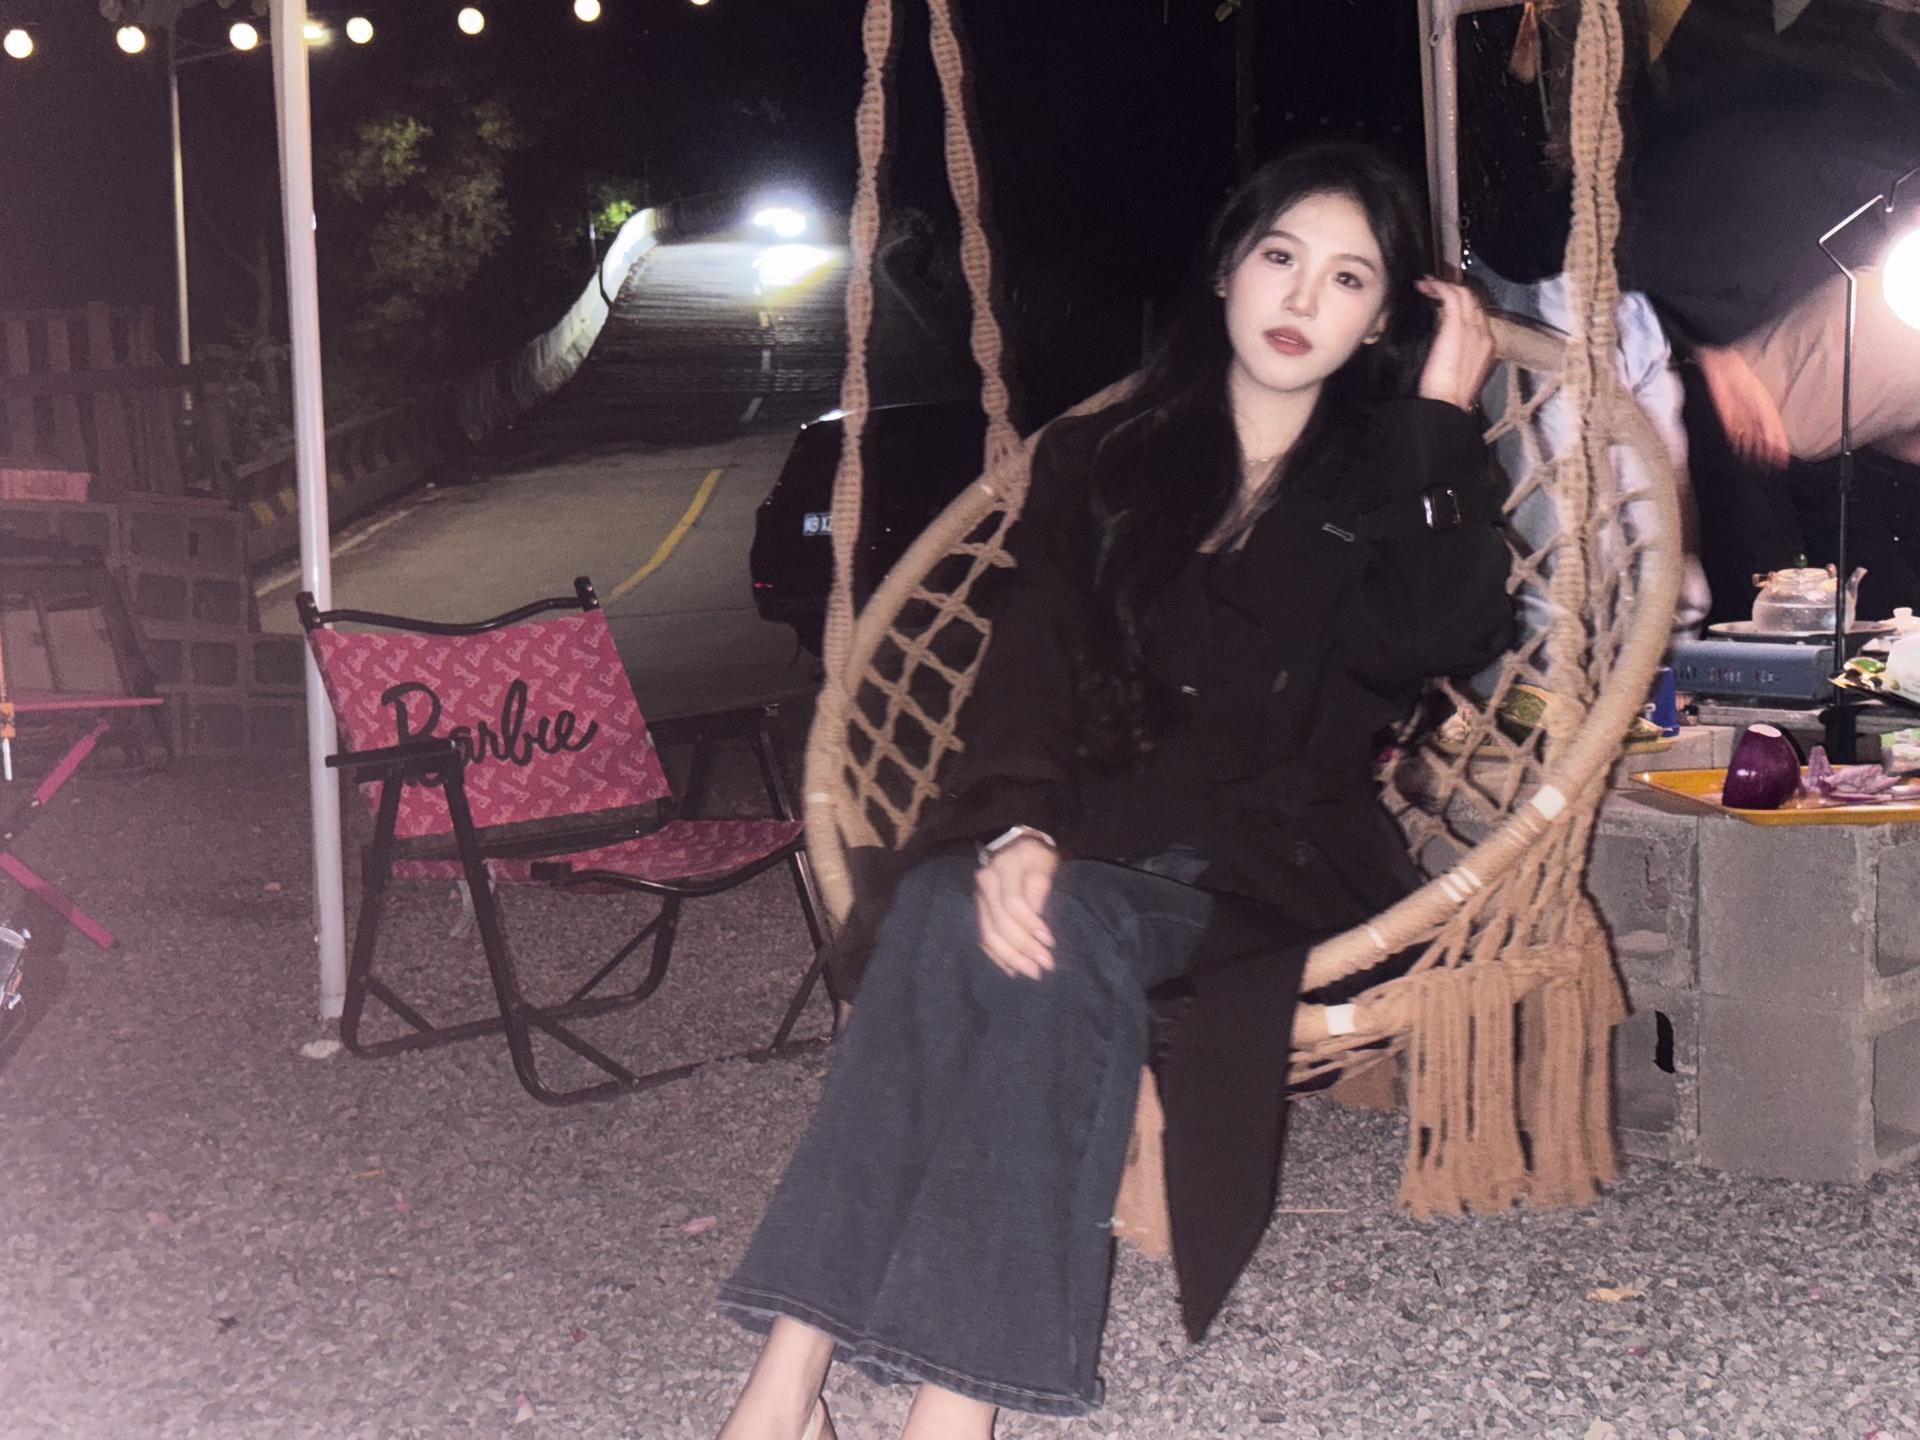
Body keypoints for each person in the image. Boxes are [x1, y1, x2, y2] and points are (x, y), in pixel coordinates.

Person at [714, 142, 1515, 1440]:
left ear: (1380, 320)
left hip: (1265, 874)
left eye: (1348, 278)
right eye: (1281, 257)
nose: (1302, 298)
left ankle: (936, 1417)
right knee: (945, 906)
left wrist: (1441, 419)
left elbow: (1440, 634)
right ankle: (786, 1386)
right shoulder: (1106, 457)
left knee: (1049, 930)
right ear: (1227, 269)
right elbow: (1028, 664)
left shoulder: (1387, 475)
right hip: (1088, 827)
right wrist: (1020, 823)